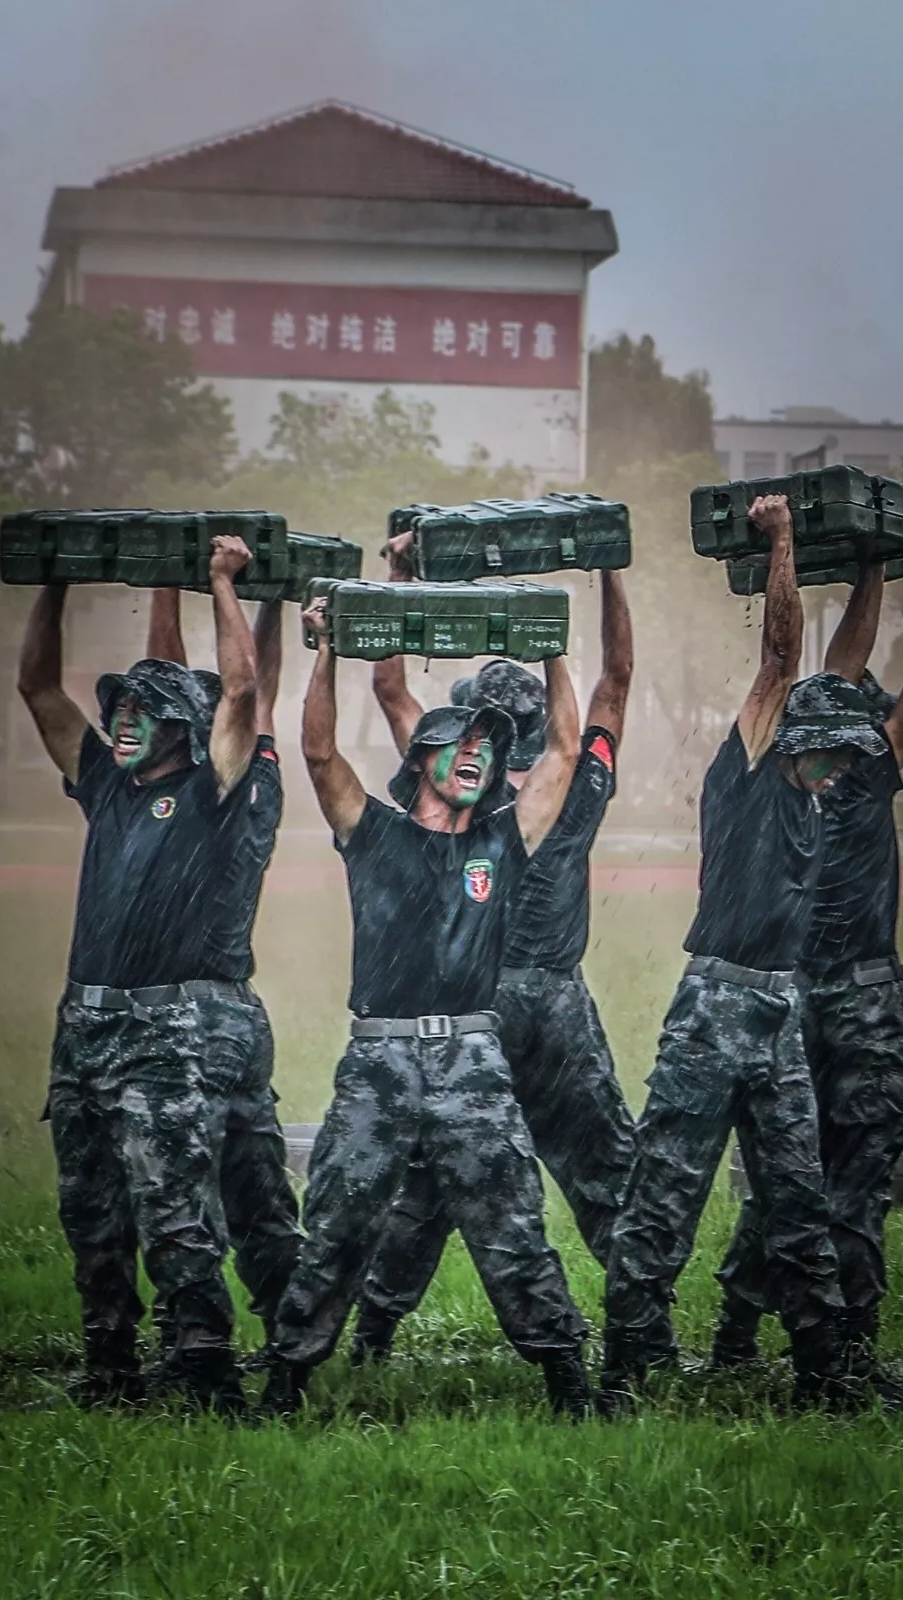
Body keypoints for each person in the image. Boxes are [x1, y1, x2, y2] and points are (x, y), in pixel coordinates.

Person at [265, 594, 591, 1417]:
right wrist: (325, 650)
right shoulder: (371, 831)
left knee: (511, 1223)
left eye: (489, 745)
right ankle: (285, 1380)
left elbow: (563, 750)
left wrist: (553, 650)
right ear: (421, 759)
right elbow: (317, 749)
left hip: (472, 1059)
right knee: (338, 1221)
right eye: (463, 741)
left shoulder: (501, 840)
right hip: (378, 1057)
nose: (479, 752)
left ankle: (568, 1380)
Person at [600, 494, 890, 1412]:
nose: (841, 766)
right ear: (792, 739)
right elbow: (781, 660)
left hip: (778, 1012)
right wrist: (782, 541)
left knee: (797, 1200)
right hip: (714, 1008)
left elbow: (841, 672)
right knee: (666, 1193)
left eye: (847, 755)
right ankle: (629, 1367)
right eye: (829, 751)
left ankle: (825, 1375)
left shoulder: (812, 792)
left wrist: (874, 571)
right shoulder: (751, 770)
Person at [351, 541, 637, 1362]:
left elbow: (390, 688)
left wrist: (397, 578)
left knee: (429, 1184)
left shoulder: (456, 783)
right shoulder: (575, 779)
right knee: (607, 1176)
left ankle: (371, 1335)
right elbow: (616, 679)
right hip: (557, 1007)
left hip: (471, 1009)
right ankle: (640, 1336)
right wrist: (607, 569)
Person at [18, 536, 261, 1411]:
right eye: (118, 706)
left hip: (163, 1037)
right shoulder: (103, 785)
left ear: (179, 729)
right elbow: (38, 688)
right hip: (81, 1029)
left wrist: (221, 583)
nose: (119, 719)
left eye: (140, 710)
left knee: (174, 1210)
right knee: (90, 1213)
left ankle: (204, 1371)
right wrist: (54, 581)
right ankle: (110, 1367)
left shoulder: (209, 789)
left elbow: (241, 692)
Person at [712, 527, 903, 1372]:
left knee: (787, 1173)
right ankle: (844, 1355)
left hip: (791, 996)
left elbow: (851, 674)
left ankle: (736, 1336)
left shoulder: (788, 777)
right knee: (851, 1177)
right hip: (856, 1001)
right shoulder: (864, 770)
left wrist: (877, 570)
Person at [145, 588, 300, 1363]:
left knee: (186, 1194)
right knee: (259, 1190)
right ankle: (292, 1337)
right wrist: (268, 605)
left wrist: (185, 583)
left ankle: (199, 1351)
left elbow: (236, 692)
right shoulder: (257, 780)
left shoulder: (211, 792)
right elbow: (255, 692)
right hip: (240, 1013)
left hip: (189, 1023)